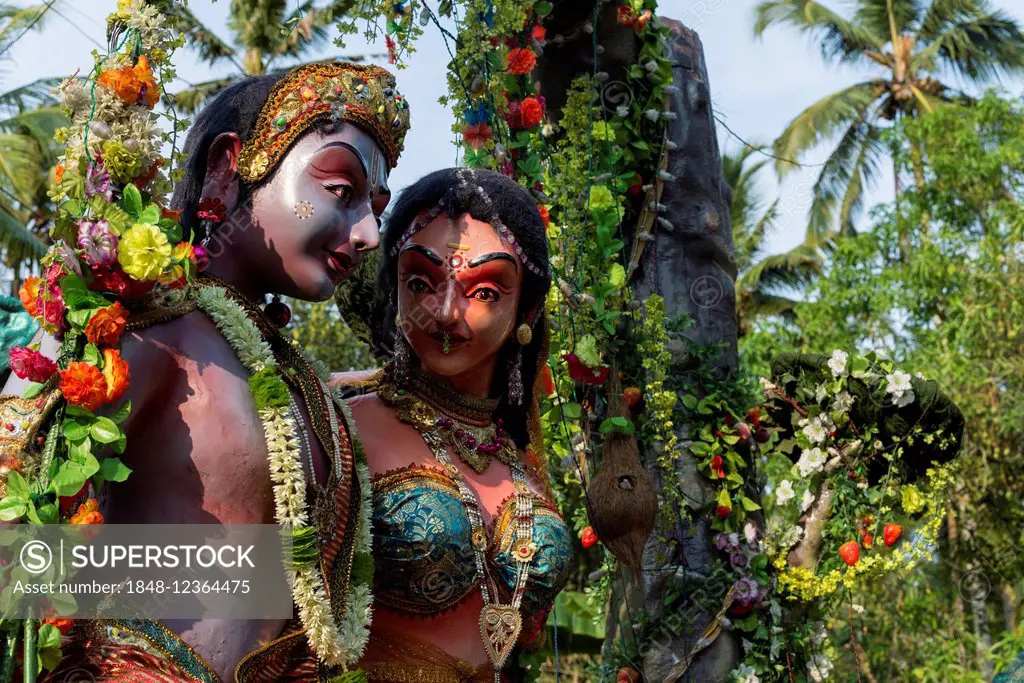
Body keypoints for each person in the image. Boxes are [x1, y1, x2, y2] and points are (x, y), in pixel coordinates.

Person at [5, 60, 411, 681]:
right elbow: (14, 514)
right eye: (341, 190)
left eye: (376, 209)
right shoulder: (137, 321)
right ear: (230, 166)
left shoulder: (305, 389)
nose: (367, 234)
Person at [343, 167, 573, 682]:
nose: (445, 313)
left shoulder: (519, 455)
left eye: (485, 290)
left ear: (527, 308)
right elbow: (238, 597)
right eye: (420, 282)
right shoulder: (341, 426)